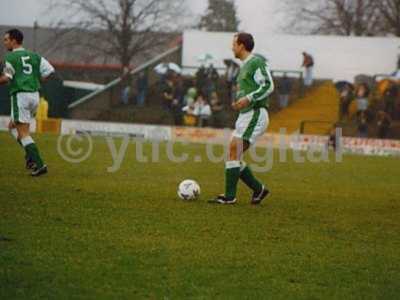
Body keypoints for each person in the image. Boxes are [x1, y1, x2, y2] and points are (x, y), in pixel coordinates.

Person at [209, 32, 274, 205]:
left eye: (234, 43)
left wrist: (248, 99)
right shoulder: (244, 66)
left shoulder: (256, 62)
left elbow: (268, 85)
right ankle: (258, 189)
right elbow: (249, 91)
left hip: (256, 113)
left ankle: (230, 197)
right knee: (233, 153)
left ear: (242, 45)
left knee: (233, 150)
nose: (232, 47)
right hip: (245, 114)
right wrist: (240, 102)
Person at [0, 28, 54, 176]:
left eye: (6, 39)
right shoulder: (34, 56)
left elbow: (7, 78)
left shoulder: (11, 57)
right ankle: (30, 156)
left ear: (14, 41)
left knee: (23, 133)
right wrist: (36, 80)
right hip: (34, 95)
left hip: (21, 96)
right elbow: (50, 71)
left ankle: (39, 164)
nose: (4, 42)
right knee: (12, 126)